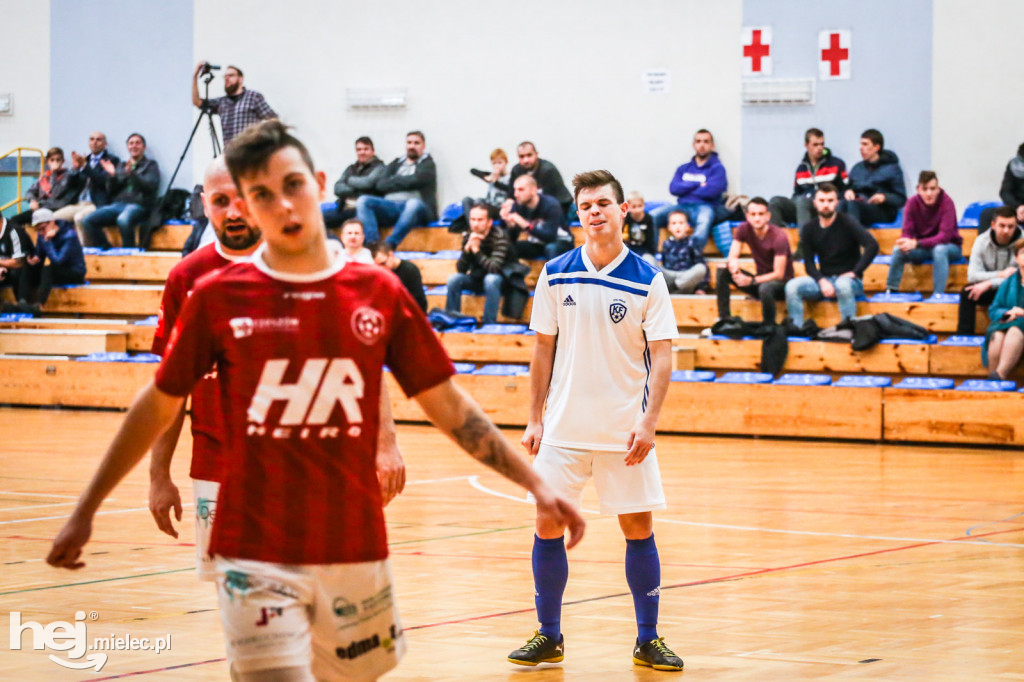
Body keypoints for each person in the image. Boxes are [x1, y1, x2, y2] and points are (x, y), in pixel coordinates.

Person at [46, 120, 585, 682]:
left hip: (352, 545)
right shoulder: (214, 296)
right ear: (247, 208)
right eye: (261, 195)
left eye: (293, 185)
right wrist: (86, 509)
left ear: (321, 183)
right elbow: (157, 404)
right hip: (250, 545)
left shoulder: (378, 291)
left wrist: (536, 484)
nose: (281, 205)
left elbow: (451, 407)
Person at [508, 169, 683, 672]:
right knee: (546, 525)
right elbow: (542, 348)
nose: (595, 213)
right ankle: (549, 635)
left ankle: (647, 639)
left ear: (622, 210)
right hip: (562, 429)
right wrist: (534, 417)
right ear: (578, 215)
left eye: (603, 204)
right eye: (586, 206)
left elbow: (664, 357)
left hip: (623, 430)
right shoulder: (555, 272)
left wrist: (649, 422)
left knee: (637, 527)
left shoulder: (648, 278)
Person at [147, 157, 265, 583]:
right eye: (220, 201)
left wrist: (380, 445)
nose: (232, 212)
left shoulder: (303, 267)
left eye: (242, 199)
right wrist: (159, 475)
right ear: (203, 204)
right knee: (236, 600)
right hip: (215, 466)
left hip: (295, 465)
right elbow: (169, 390)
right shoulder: (186, 278)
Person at [785, 184, 879, 326]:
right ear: (815, 203)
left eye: (830, 200)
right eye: (822, 201)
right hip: (825, 280)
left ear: (836, 203)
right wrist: (822, 281)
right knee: (792, 286)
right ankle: (796, 328)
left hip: (850, 282)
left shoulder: (848, 222)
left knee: (843, 285)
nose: (826, 205)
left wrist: (855, 272)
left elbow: (872, 245)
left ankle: (848, 328)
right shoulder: (809, 228)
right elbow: (809, 264)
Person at [650, 129, 731, 255]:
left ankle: (691, 256)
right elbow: (674, 189)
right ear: (694, 145)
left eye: (706, 141)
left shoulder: (718, 168)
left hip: (705, 207)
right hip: (681, 206)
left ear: (712, 145)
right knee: (651, 217)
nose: (702, 145)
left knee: (704, 221)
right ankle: (649, 255)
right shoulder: (683, 168)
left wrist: (686, 188)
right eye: (698, 141)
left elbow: (712, 191)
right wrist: (698, 184)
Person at [717, 197, 794, 323]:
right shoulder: (744, 228)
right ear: (747, 216)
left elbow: (779, 274)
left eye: (760, 214)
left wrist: (751, 280)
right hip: (758, 281)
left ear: (768, 216)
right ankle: (724, 319)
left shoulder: (778, 236)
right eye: (753, 214)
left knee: (765, 288)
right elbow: (732, 256)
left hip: (781, 284)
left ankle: (769, 325)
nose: (757, 218)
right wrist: (734, 268)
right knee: (723, 271)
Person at [885, 171, 963, 294]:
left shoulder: (947, 203)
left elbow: (944, 237)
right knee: (897, 250)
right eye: (925, 189)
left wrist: (916, 243)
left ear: (938, 189)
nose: (929, 193)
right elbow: (907, 232)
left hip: (950, 247)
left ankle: (938, 295)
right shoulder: (911, 203)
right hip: (924, 247)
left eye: (932, 189)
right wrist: (905, 242)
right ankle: (891, 290)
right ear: (918, 189)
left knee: (939, 250)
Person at [356, 131, 437, 246]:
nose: (412, 146)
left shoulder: (428, 164)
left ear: (423, 146)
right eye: (409, 142)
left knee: (413, 204)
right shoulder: (396, 163)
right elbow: (380, 184)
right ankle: (373, 245)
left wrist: (394, 181)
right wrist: (405, 181)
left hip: (418, 210)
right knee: (363, 201)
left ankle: (389, 245)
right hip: (391, 207)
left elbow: (417, 180)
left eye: (416, 143)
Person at [81, 133, 161, 249]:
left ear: (144, 147)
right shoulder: (121, 165)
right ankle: (106, 249)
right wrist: (113, 176)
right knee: (87, 220)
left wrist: (132, 174)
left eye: (137, 143)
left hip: (139, 205)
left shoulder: (151, 165)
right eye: (131, 143)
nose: (134, 146)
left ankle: (128, 252)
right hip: (118, 204)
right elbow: (111, 190)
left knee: (123, 220)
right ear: (127, 147)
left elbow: (150, 186)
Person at [446, 202, 512, 324]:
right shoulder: (469, 236)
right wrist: (467, 250)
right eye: (473, 219)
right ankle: (451, 320)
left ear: (489, 222)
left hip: (502, 281)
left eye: (480, 220)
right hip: (477, 278)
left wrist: (476, 251)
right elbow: (461, 269)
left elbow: (495, 268)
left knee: (491, 279)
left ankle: (489, 324)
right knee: (454, 279)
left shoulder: (500, 237)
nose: (475, 224)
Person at [959, 206, 1022, 334]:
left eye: (1011, 226)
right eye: (1002, 225)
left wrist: (989, 283)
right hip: (992, 289)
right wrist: (1000, 274)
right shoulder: (981, 241)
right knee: (968, 292)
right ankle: (964, 337)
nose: (1006, 230)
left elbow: (1019, 277)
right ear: (993, 225)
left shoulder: (1023, 243)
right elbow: (972, 275)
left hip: (1015, 289)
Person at [768, 128, 847, 228]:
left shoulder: (836, 164)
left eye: (822, 144)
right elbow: (797, 192)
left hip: (823, 207)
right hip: (801, 205)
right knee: (775, 201)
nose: (819, 148)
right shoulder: (801, 168)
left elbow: (845, 190)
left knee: (803, 202)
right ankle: (775, 240)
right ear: (806, 145)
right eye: (815, 145)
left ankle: (804, 242)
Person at [13, 209, 86, 315]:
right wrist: (34, 258)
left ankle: (38, 305)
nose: (42, 233)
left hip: (74, 272)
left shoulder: (69, 235)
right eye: (38, 230)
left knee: (49, 269)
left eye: (43, 228)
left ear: (51, 222)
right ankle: (22, 301)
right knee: (28, 267)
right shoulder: (43, 235)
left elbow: (58, 260)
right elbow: (40, 254)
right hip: (57, 271)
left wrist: (48, 242)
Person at [192, 62, 277, 143]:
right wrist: (195, 75)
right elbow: (197, 102)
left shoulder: (253, 97)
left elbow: (273, 119)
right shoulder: (222, 102)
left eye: (231, 75)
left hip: (250, 151)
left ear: (240, 79)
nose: (227, 78)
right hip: (230, 154)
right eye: (225, 77)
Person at [54, 131, 120, 232]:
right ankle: (67, 244)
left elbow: (103, 181)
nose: (94, 142)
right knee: (54, 217)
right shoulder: (85, 159)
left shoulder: (112, 160)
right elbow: (71, 185)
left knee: (79, 218)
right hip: (78, 203)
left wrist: (85, 167)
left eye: (98, 140)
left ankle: (86, 247)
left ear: (105, 144)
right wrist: (75, 169)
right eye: (92, 139)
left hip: (96, 203)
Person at [839, 128, 906, 226]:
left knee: (853, 206)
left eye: (865, 144)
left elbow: (901, 199)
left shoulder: (892, 169)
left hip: (882, 209)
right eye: (861, 144)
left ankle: (854, 240)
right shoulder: (857, 168)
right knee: (842, 204)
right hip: (859, 202)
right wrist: (848, 192)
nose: (861, 148)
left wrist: (884, 197)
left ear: (876, 147)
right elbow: (848, 188)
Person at [502, 175, 573, 261]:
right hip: (537, 244)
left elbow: (550, 237)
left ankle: (555, 274)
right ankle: (514, 274)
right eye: (515, 190)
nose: (515, 194)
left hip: (561, 242)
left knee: (551, 248)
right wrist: (511, 226)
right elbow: (511, 239)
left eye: (521, 190)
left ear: (533, 190)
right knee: (509, 248)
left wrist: (525, 224)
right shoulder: (518, 205)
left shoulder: (551, 205)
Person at [982, 238, 1024, 380]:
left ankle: (1000, 375)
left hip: (1019, 328)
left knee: (1014, 331)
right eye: (1023, 252)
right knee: (997, 334)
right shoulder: (1008, 282)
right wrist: (1007, 313)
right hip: (1008, 322)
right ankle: (993, 376)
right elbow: (994, 309)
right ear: (1017, 258)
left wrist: (1021, 312)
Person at [324, 136, 385, 229]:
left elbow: (367, 183)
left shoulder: (380, 167)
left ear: (373, 151)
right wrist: (360, 190)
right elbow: (337, 188)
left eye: (366, 149)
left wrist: (349, 180)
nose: (362, 152)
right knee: (320, 219)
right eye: (359, 149)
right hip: (344, 208)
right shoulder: (351, 168)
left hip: (364, 211)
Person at [9, 147, 80, 227]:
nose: (55, 162)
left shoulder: (68, 176)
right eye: (52, 160)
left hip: (55, 208)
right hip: (40, 208)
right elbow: (30, 192)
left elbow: (56, 193)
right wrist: (32, 200)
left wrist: (54, 173)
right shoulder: (45, 176)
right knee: (13, 220)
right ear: (47, 161)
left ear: (62, 161)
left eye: (58, 160)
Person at [508, 141, 573, 214]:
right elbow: (511, 196)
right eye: (521, 156)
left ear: (536, 154)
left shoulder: (548, 170)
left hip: (559, 207)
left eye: (529, 155)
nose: (526, 160)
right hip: (530, 209)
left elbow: (555, 201)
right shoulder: (516, 170)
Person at [660, 210, 708, 294]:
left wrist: (701, 288)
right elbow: (664, 263)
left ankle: (673, 287)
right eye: (674, 223)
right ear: (669, 227)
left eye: (681, 223)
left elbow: (700, 262)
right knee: (648, 259)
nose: (677, 226)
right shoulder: (666, 243)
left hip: (685, 279)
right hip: (670, 276)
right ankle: (670, 287)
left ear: (687, 226)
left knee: (701, 268)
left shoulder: (692, 242)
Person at [979, 142, 1024, 233]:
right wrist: (1018, 208)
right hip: (1016, 209)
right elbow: (1005, 192)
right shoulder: (1015, 164)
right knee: (986, 214)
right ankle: (985, 247)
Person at [372, 241, 428, 312]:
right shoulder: (379, 273)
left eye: (383, 263)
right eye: (378, 266)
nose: (382, 268)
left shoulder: (410, 270)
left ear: (391, 255)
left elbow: (420, 303)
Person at [0, 211, 34, 307]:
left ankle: (22, 304)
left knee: (19, 270)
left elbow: (19, 262)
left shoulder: (14, 231)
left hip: (26, 270)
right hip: (5, 269)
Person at [624, 191, 659, 263]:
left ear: (644, 205)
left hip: (644, 250)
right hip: (629, 248)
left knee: (649, 261)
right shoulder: (625, 218)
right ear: (628, 207)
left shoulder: (649, 219)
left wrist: (652, 253)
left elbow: (652, 239)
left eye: (640, 206)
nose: (637, 210)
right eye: (633, 207)